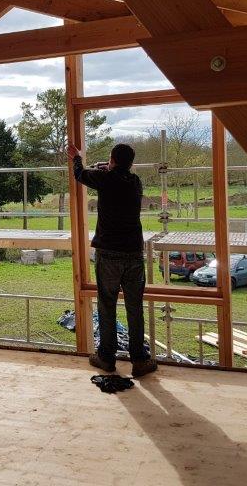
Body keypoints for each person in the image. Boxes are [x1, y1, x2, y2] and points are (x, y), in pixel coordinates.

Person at [67, 142, 158, 377]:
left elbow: (80, 174)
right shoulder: (136, 182)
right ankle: (139, 360)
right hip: (133, 255)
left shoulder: (105, 180)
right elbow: (116, 176)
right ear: (131, 163)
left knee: (107, 306)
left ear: (112, 159)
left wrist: (77, 157)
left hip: (108, 254)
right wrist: (107, 168)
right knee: (134, 308)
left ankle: (106, 358)